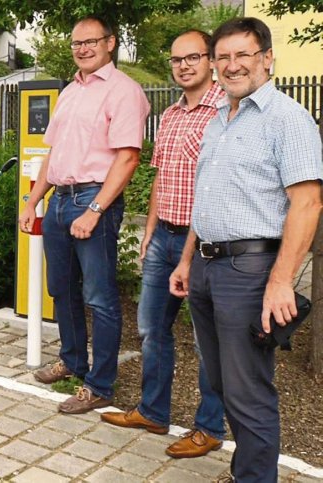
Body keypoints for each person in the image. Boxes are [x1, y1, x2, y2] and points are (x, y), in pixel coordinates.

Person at [169, 17, 322, 482]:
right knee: (221, 382)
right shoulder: (220, 118)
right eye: (223, 57)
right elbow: (208, 195)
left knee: (248, 390)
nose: (232, 66)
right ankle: (246, 470)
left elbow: (309, 202)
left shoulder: (287, 119)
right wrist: (187, 258)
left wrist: (280, 283)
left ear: (267, 59)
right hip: (208, 265)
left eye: (243, 55)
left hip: (251, 269)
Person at [101, 30, 226, 458]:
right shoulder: (170, 113)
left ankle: (208, 427)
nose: (183, 65)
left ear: (210, 60)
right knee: (152, 329)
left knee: (207, 340)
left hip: (205, 244)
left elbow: (213, 189)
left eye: (193, 57)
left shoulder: (225, 113)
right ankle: (152, 411)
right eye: (176, 59)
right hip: (164, 239)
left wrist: (188, 251)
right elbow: (161, 176)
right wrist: (151, 229)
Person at [19, 16, 150, 414]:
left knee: (100, 297)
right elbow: (52, 154)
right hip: (60, 200)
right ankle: (73, 360)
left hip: (95, 200)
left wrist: (95, 210)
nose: (83, 48)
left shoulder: (125, 92)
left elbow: (128, 159)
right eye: (76, 42)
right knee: (61, 289)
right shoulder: (71, 91)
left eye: (91, 41)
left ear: (110, 43)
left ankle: (100, 384)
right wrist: (32, 201)